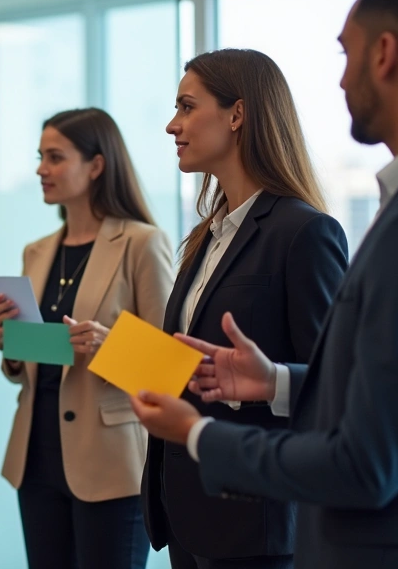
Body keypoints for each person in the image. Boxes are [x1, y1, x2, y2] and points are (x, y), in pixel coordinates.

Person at [132, 0, 398, 569]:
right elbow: (384, 396)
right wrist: (273, 380)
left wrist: (198, 434)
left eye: (345, 53)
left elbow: (366, 462)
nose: (341, 79)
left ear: (385, 54)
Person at [140, 48, 349, 569]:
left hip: (258, 528)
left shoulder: (304, 233)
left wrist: (272, 379)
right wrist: (112, 349)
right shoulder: (206, 235)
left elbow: (336, 387)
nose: (172, 125)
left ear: (237, 115)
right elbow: (196, 369)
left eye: (187, 107)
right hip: (186, 512)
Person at [0, 108, 174, 568]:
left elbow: (170, 368)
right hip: (36, 458)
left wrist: (112, 347)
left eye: (54, 157)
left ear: (96, 165)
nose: (40, 170)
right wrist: (6, 339)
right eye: (39, 157)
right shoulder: (38, 251)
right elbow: (35, 360)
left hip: (111, 465)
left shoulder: (141, 244)